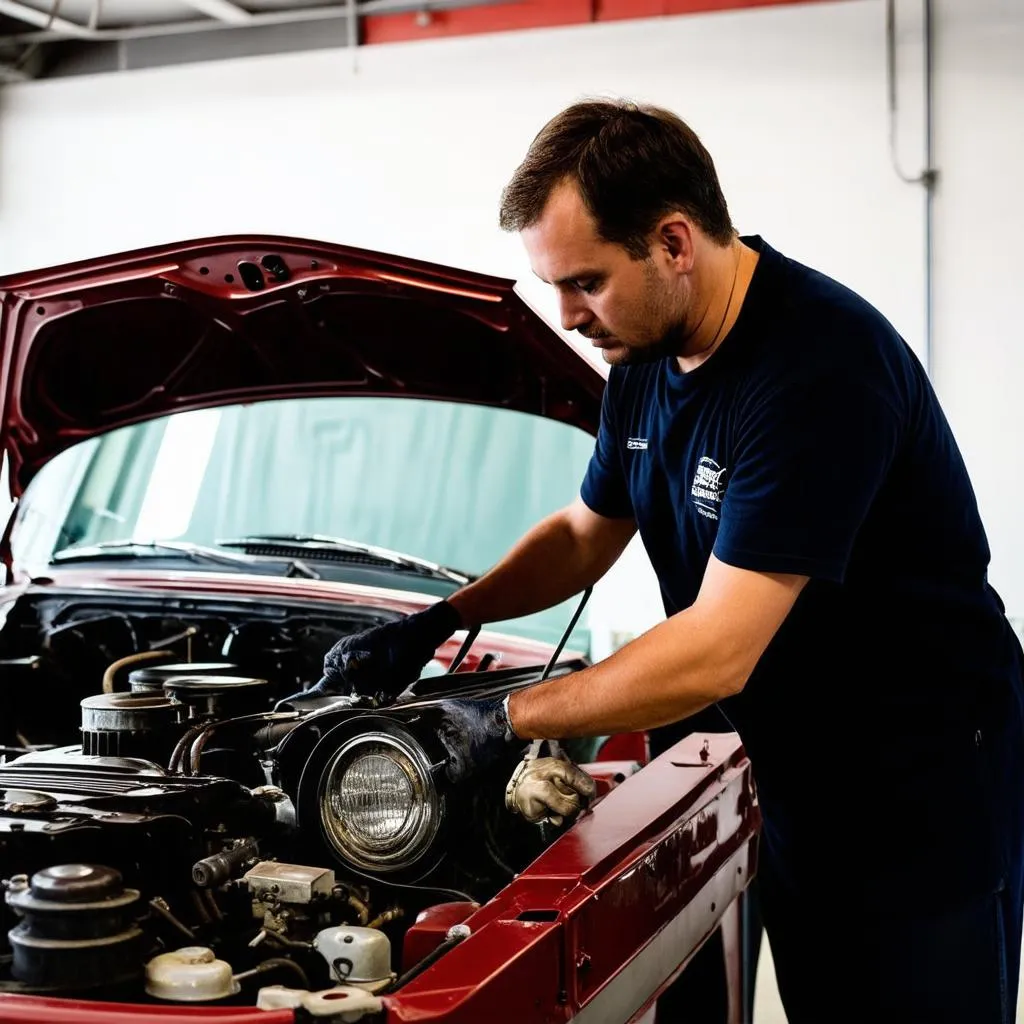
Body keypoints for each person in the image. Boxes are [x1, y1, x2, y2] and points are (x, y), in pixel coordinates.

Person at [312, 99, 1024, 1023]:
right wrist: (447, 619)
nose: (566, 316)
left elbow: (718, 650)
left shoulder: (818, 369)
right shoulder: (644, 355)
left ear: (674, 242)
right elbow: (583, 530)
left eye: (585, 282)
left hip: (920, 790)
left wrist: (502, 718)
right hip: (804, 766)